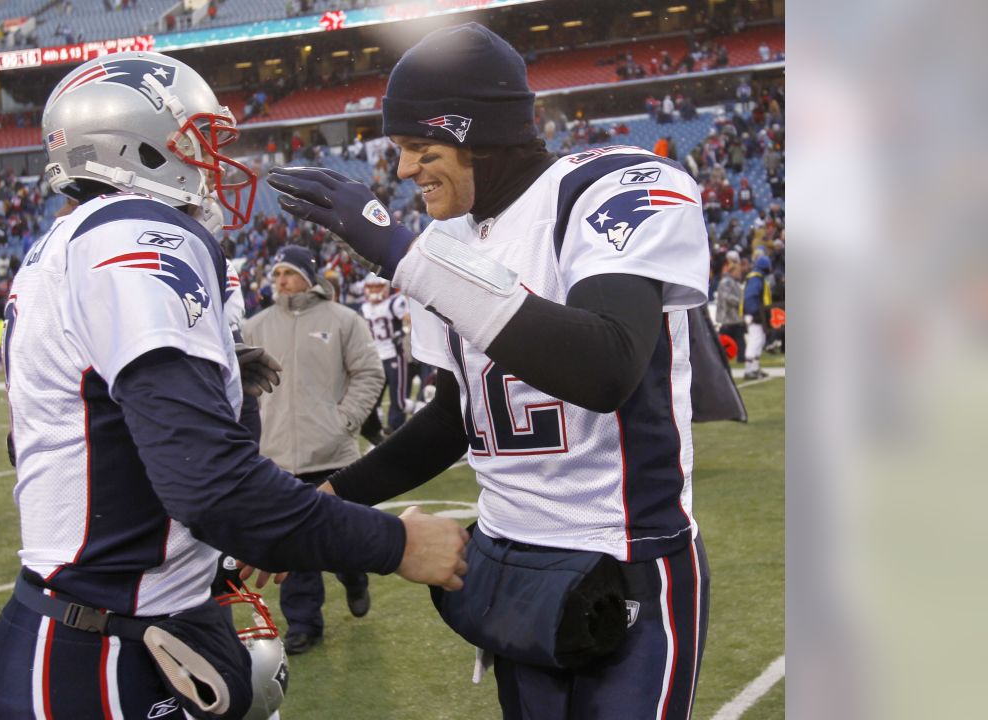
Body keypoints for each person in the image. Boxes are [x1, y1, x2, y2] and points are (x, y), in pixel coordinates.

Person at [0, 52, 468, 720]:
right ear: (137, 144)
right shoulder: (136, 239)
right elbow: (211, 484)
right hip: (101, 653)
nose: (213, 162)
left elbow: (114, 460)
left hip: (104, 625)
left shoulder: (69, 244)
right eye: (197, 139)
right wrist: (398, 544)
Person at [267, 23, 710, 719]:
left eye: (422, 148)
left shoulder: (609, 187)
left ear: (477, 135)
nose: (406, 170)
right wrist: (323, 503)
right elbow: (452, 420)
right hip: (508, 561)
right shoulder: (447, 239)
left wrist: (408, 260)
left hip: (624, 556)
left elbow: (606, 367)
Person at [240, 245, 385, 655]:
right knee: (293, 548)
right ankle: (304, 624)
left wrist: (344, 421)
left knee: (344, 540)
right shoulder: (255, 326)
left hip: (334, 457)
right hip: (277, 457)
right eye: (276, 274)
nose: (280, 281)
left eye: (288, 272)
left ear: (309, 276)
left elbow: (368, 373)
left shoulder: (343, 320)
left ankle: (354, 576)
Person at [359, 272, 411, 438]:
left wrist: (404, 330)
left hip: (393, 355)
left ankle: (396, 429)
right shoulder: (364, 308)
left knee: (398, 399)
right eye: (371, 286)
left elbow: (409, 319)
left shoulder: (395, 302)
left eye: (377, 286)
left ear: (385, 288)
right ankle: (376, 429)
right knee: (373, 397)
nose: (374, 290)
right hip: (374, 359)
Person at [741, 254, 774, 380]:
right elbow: (750, 297)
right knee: (755, 340)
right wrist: (755, 313)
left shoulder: (757, 277)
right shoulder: (756, 279)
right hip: (754, 314)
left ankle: (754, 368)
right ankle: (749, 370)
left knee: (759, 340)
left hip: (757, 314)